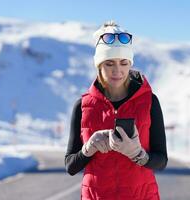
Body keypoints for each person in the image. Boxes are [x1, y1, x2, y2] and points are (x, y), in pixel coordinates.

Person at [65, 20, 168, 200]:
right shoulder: (82, 106)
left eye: (123, 63)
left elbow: (161, 160)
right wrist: (88, 149)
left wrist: (138, 154)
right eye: (109, 63)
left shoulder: (149, 102)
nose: (117, 71)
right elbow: (70, 166)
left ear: (130, 63)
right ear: (99, 65)